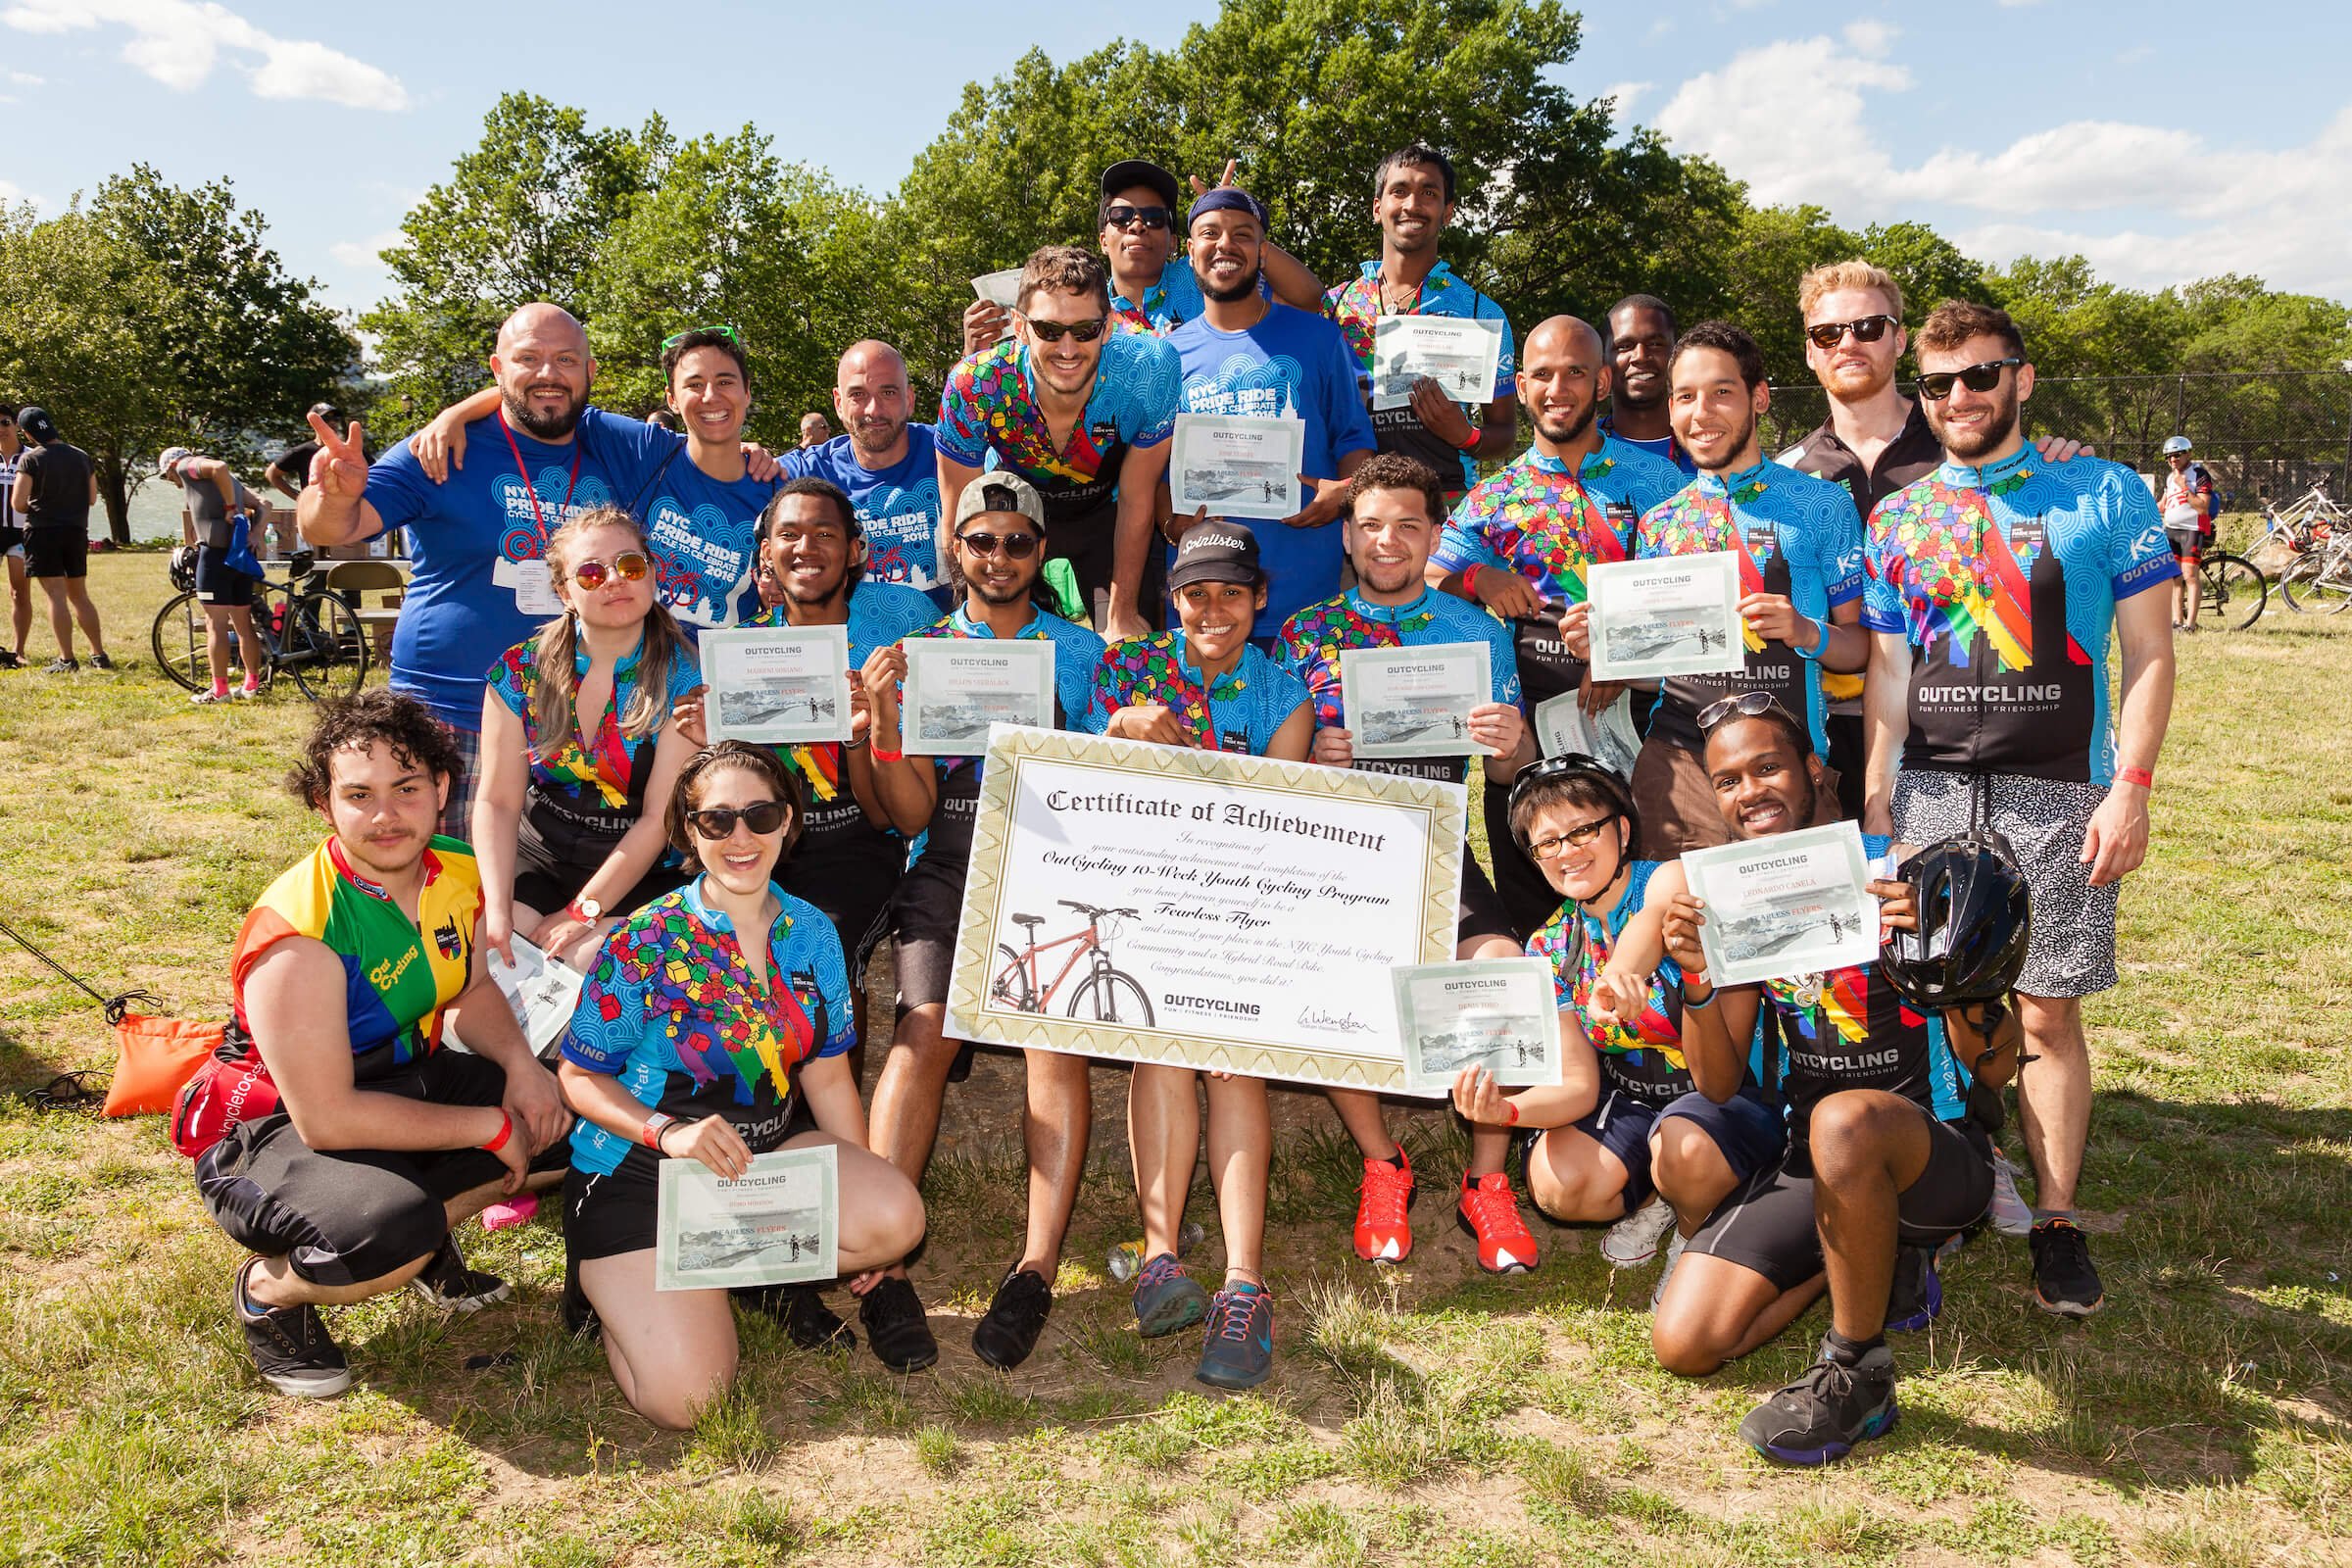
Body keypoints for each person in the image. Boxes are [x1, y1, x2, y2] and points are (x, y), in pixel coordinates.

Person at [1862, 299, 2177, 1319]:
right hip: (1935, 790)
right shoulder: (1898, 516)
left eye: (1981, 376)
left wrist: (2129, 789)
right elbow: (1888, 675)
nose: (1960, 398)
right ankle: (1961, 1173)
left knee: (2047, 1007)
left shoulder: (2106, 490)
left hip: (2063, 791)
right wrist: (1881, 806)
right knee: (1940, 993)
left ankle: (2054, 1216)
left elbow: (2153, 656)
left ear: (2022, 380)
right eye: (1940, 383)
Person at [1643, 696, 2022, 1465]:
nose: (1749, 791)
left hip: (1933, 1155)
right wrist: (1697, 977)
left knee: (1846, 1120)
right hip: (1812, 1162)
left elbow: (1998, 1066)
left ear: (1814, 770)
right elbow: (1717, 1083)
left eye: (1768, 767)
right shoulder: (1734, 897)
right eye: (1727, 781)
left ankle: (1858, 1369)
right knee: (1683, 1343)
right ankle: (1860, 1252)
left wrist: (1955, 955)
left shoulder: (1906, 871)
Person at [192, 691, 571, 1397]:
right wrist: (489, 1125)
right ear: (323, 804)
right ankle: (270, 1294)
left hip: (403, 1081)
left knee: (575, 1114)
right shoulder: (300, 932)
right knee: (388, 1229)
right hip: (274, 1130)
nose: (386, 815)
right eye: (358, 795)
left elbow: (472, 990)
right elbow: (327, 1118)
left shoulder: (456, 869)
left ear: (441, 789)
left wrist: (522, 1070)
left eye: (406, 788)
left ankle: (429, 1239)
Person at [558, 741, 927, 1425]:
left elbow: (826, 1072)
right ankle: (604, 1289)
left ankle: (724, 1270)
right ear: (687, 833)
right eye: (716, 821)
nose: (741, 837)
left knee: (895, 1219)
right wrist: (667, 1133)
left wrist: (864, 1188)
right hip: (638, 1174)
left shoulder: (812, 931)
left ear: (789, 822)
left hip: (752, 1168)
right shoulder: (647, 938)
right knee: (691, 1401)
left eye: (760, 815)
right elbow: (577, 1077)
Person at [859, 472, 1108, 1371]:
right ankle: (883, 1264)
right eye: (980, 541)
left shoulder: (1081, 652)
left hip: (1052, 851)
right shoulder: (920, 647)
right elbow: (913, 816)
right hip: (952, 855)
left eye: (1017, 542)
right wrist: (884, 724)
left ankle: (1036, 1265)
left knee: (1054, 1041)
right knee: (921, 1031)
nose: (998, 557)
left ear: (1041, 554)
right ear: (954, 550)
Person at [1276, 454, 1537, 1271]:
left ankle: (1485, 1183)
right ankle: (1383, 1162)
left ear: (1434, 535)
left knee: (1504, 974)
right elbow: (1284, 779)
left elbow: (1505, 773)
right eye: (1371, 525)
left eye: (1408, 526)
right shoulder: (1303, 633)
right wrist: (1316, 753)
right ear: (1348, 537)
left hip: (1438, 845)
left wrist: (1509, 743)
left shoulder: (1478, 632)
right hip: (1340, 852)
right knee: (1317, 986)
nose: (1388, 542)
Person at [297, 305, 684, 835]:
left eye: (566, 360)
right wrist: (331, 495)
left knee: (544, 893)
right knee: (439, 886)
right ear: (498, 369)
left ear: (590, 373)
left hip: (581, 723)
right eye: (529, 358)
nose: (549, 373)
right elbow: (331, 529)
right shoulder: (437, 450)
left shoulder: (615, 444)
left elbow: (710, 456)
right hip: (450, 713)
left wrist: (755, 457)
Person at [1091, 522, 1312, 1389]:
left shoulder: (1284, 691)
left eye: (1230, 592)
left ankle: (1244, 1283)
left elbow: (1290, 824)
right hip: (1141, 900)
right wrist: (1116, 728)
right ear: (1172, 600)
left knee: (1234, 1062)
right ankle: (1159, 1259)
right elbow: (1074, 786)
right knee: (1159, 1045)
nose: (1212, 609)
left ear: (1259, 599)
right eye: (1195, 593)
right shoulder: (1123, 674)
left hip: (1245, 910)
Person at [1777, 262, 2089, 820]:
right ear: (1809, 351)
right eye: (1828, 333)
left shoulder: (1965, 435)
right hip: (1819, 727)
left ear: (1899, 339)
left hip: (1945, 739)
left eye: (1869, 327)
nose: (1848, 343)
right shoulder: (1787, 475)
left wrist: (2060, 462)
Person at [1425, 316, 1686, 937]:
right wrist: (1478, 579)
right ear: (1519, 386)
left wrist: (1620, 653)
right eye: (1542, 374)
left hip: (1642, 721)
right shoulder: (1497, 493)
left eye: (1574, 373)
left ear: (1601, 383)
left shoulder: (1660, 482)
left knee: (1648, 902)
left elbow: (1690, 596)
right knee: (1536, 914)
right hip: (1532, 731)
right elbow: (1428, 575)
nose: (1558, 389)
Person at [1569, 321, 1869, 859]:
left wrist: (1807, 631)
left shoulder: (1824, 506)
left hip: (1791, 763)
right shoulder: (1661, 523)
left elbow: (1860, 649)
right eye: (1684, 396)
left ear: (1759, 398)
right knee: (1685, 938)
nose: (1700, 413)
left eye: (1721, 393)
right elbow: (1659, 668)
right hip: (1680, 763)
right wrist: (1604, 647)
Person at [1486, 754, 1784, 1282]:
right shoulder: (1549, 946)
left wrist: (1622, 971)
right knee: (1562, 1188)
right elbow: (1579, 1086)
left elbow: (1655, 917)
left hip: (1729, 1092)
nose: (1567, 852)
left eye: (1582, 830)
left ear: (1622, 830)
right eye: (1547, 843)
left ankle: (1693, 1233)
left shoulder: (1673, 879)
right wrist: (1502, 1112)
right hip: (1633, 1096)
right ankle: (1659, 1197)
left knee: (1686, 1147)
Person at [678, 477, 938, 1041]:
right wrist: (707, 745)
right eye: (789, 534)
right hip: (760, 839)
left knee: (823, 953)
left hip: (853, 842)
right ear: (765, 552)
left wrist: (866, 730)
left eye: (825, 533)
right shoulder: (738, 653)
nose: (807, 547)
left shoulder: (896, 640)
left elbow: (890, 818)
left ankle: (829, 1118)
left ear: (854, 550)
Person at [414, 325, 778, 633]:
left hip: (719, 685)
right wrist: (455, 414)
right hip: (635, 681)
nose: (710, 396)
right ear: (672, 399)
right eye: (694, 384)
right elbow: (548, 394)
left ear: (747, 391)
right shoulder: (644, 448)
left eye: (725, 381)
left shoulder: (775, 489)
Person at [474, 506, 702, 980]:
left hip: (641, 870)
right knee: (488, 944)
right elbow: (497, 802)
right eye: (592, 573)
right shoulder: (518, 671)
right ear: (565, 592)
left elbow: (658, 818)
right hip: (539, 856)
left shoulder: (688, 675)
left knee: (594, 962)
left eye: (630, 566)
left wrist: (583, 911)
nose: (615, 580)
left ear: (652, 573)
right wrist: (496, 908)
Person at [936, 247, 1181, 641]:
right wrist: (970, 619)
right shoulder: (975, 383)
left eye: (1084, 330)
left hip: (1108, 507)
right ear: (1019, 326)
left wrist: (1122, 615)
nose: (1067, 349)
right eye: (1049, 330)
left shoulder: (1149, 367)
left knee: (1131, 641)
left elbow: (1138, 497)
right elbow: (958, 517)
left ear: (1108, 326)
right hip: (1013, 512)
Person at [1169, 188, 1378, 644]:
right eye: (1210, 233)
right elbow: (1148, 472)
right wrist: (1171, 520)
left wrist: (1344, 492)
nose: (1225, 245)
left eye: (1242, 235)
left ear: (1263, 252)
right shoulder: (1165, 355)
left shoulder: (1320, 339)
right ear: (1190, 252)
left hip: (1305, 595)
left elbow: (1353, 438)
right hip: (1205, 607)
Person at [1323, 144, 1518, 495]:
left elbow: (1504, 433)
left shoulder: (1479, 312)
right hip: (1352, 511)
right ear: (1377, 208)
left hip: (1446, 509)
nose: (1412, 205)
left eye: (1429, 193)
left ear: (1447, 212)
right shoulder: (1333, 307)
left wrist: (1466, 435)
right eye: (1399, 191)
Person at [781, 341, 953, 606]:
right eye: (858, 395)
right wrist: (746, 454)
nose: (873, 410)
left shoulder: (950, 452)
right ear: (839, 403)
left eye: (888, 392)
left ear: (909, 399)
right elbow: (731, 475)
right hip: (847, 644)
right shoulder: (810, 470)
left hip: (940, 641)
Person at [161, 446, 270, 703]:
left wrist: (231, 507)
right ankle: (251, 685)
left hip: (215, 555)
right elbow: (264, 503)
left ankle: (220, 690)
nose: (174, 484)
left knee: (215, 624)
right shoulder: (229, 482)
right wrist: (256, 533)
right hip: (241, 555)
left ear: (170, 467)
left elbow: (218, 466)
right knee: (243, 624)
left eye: (167, 478)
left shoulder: (187, 466)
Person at [8, 407, 112, 672]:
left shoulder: (32, 459)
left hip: (43, 532)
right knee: (80, 595)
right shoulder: (81, 456)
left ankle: (67, 659)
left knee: (56, 595)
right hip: (76, 531)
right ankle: (98, 654)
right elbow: (91, 498)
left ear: (27, 433)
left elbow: (18, 503)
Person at [1596, 296, 1691, 475]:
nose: (1640, 356)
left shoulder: (1710, 451)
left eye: (1655, 344)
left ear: (1678, 356)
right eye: (1624, 346)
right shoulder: (1578, 450)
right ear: (1603, 361)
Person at [2158, 435, 2215, 631]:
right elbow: (2164, 505)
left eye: (2177, 455)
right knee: (2175, 577)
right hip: (2171, 530)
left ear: (2187, 454)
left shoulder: (2198, 474)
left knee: (2190, 575)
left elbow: (2203, 507)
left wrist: (2184, 488)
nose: (2173, 460)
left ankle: (2190, 623)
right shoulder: (2170, 477)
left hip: (2192, 530)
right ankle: (2177, 621)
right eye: (2169, 457)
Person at [0, 404, 35, 668]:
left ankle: (18, 650)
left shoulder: (32, 457)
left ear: (15, 425)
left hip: (21, 533)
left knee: (19, 593)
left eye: (5, 423)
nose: (1, 429)